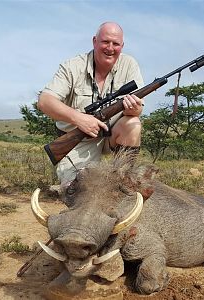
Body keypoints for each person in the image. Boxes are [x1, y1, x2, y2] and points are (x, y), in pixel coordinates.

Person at [38, 21, 144, 190]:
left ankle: (123, 179)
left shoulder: (129, 64)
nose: (110, 48)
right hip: (78, 141)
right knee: (77, 190)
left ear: (122, 46)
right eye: (105, 41)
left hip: (111, 136)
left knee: (133, 123)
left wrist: (134, 109)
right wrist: (79, 119)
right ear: (95, 41)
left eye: (115, 44)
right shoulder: (72, 66)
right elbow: (44, 101)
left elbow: (138, 109)